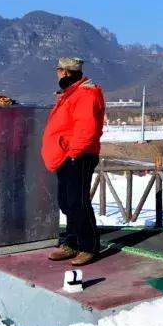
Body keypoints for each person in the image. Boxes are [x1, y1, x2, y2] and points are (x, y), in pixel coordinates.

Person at [41, 57, 105, 266]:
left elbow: (86, 128)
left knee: (78, 202)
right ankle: (71, 242)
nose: (57, 75)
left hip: (79, 154)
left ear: (66, 72)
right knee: (66, 201)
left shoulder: (86, 94)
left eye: (58, 71)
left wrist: (74, 153)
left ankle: (88, 246)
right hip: (66, 154)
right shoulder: (72, 93)